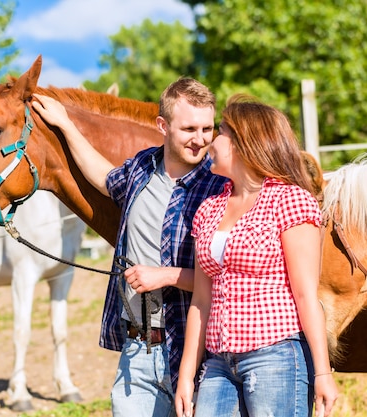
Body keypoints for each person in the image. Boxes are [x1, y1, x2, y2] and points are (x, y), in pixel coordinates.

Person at [32, 78, 227, 417]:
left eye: (207, 128)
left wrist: (164, 276)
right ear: (162, 126)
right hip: (140, 342)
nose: (200, 140)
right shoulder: (141, 168)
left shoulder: (219, 188)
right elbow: (104, 177)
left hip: (197, 349)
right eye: (189, 128)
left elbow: (231, 280)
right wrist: (64, 123)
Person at [174, 94, 339, 417]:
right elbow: (201, 301)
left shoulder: (290, 201)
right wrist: (186, 378)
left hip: (275, 355)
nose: (211, 141)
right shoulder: (209, 209)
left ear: (242, 142)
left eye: (220, 132)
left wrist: (322, 372)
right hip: (219, 362)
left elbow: (306, 295)